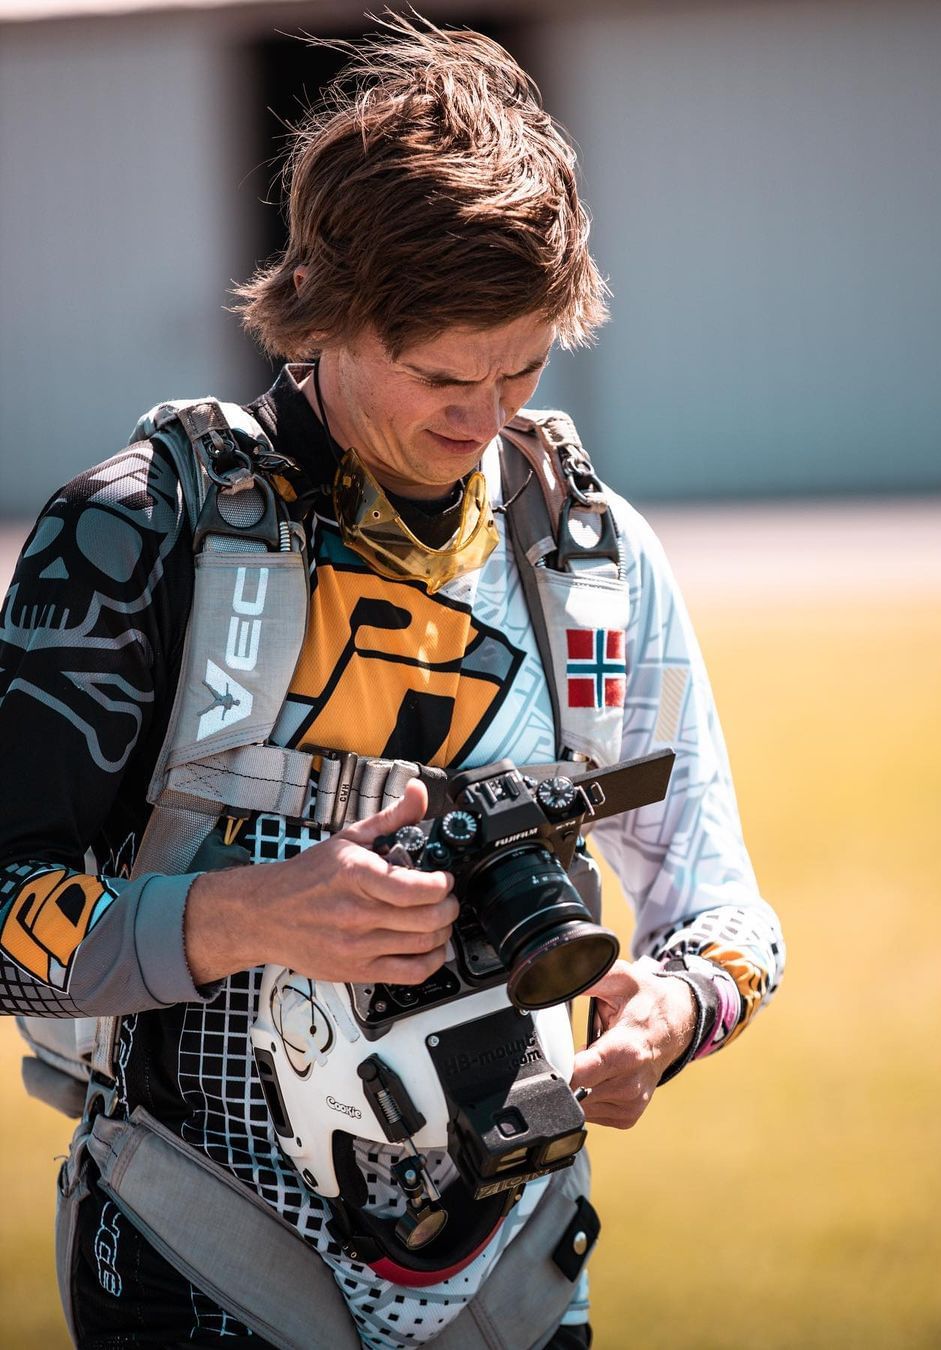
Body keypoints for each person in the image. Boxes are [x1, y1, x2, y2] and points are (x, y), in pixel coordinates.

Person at [0, 14, 784, 1348]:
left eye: (525, 364)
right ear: (326, 311)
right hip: (198, 1263)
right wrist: (246, 913)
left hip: (520, 1275)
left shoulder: (587, 554)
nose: (485, 418)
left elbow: (729, 918)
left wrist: (671, 1013)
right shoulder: (136, 537)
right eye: (440, 375)